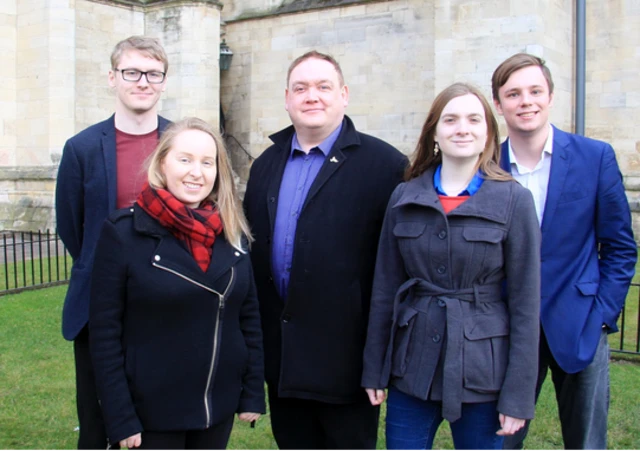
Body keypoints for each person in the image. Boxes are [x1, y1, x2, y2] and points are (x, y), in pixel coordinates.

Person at [361, 83, 541, 450]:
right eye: (451, 119)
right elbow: (384, 288)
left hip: (483, 372)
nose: (463, 128)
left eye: (474, 119)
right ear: (435, 133)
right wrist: (374, 368)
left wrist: (519, 395)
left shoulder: (514, 200)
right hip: (412, 367)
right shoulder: (405, 196)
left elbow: (526, 304)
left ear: (488, 131)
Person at [243, 50, 407, 450]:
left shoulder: (385, 165)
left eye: (323, 86)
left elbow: (397, 270)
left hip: (346, 363)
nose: (311, 96)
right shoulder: (265, 164)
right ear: (287, 99)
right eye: (301, 88)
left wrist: (378, 359)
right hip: (283, 358)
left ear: (344, 94)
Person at [89, 117, 265, 449]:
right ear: (162, 163)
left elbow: (249, 318)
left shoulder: (232, 233)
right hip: (153, 412)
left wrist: (252, 392)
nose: (196, 172)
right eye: (185, 159)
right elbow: (105, 333)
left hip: (216, 407)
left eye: (207, 162)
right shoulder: (124, 233)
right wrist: (120, 416)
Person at [492, 53, 637, 450]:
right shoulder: (486, 166)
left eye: (535, 91)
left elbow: (621, 247)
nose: (526, 101)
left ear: (551, 96)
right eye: (514, 93)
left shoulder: (595, 158)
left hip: (581, 322)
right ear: (498, 103)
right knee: (499, 441)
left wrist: (604, 314)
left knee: (588, 442)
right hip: (506, 329)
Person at [55, 35, 171, 450]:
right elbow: (73, 228)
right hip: (99, 305)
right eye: (132, 72)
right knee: (98, 421)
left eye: (153, 73)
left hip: (165, 303)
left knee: (160, 421)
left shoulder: (181, 142)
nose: (143, 82)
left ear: (163, 81)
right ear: (112, 77)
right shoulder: (83, 148)